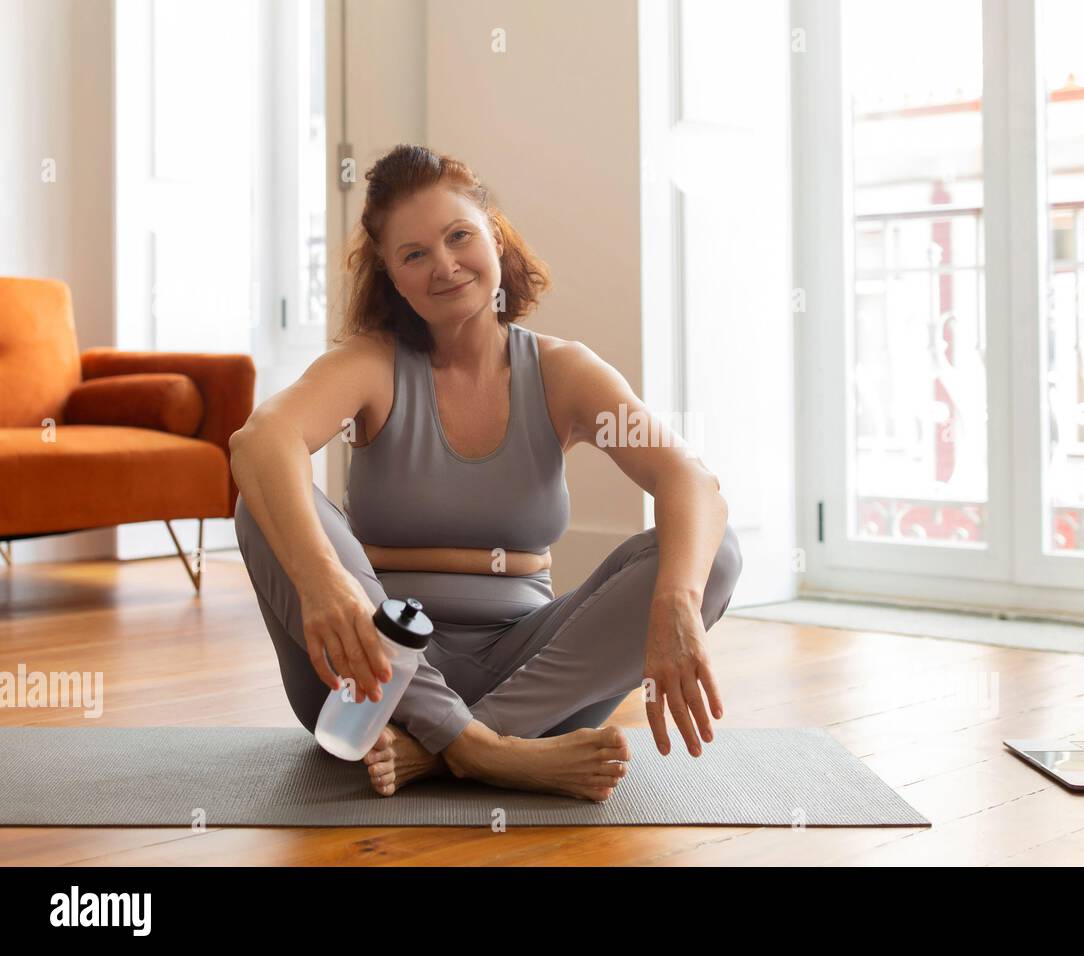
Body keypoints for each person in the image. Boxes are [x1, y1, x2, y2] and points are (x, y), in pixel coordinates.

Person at [231, 144, 742, 801]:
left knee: (715, 554)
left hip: (533, 676)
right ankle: (483, 750)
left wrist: (676, 603)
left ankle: (456, 747)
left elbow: (689, 479)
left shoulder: (561, 372)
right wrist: (323, 582)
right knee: (263, 503)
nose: (444, 266)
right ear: (391, 276)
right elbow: (259, 441)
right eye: (414, 255)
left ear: (494, 237)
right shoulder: (373, 363)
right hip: (374, 675)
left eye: (458, 236)